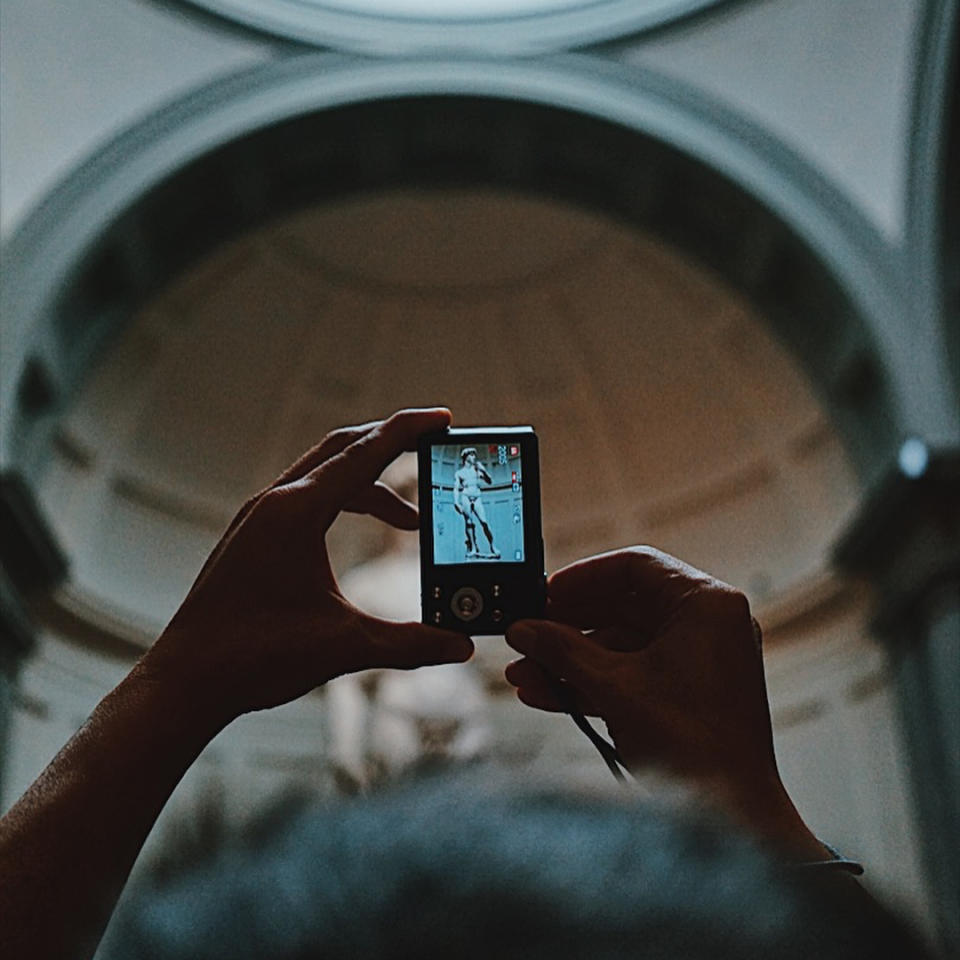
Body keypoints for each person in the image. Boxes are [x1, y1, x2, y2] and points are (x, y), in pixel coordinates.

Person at [0, 409, 929, 960]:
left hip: (456, 732)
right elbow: (352, 703)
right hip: (404, 737)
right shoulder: (365, 586)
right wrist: (753, 802)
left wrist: (173, 687)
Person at [454, 447, 499, 559]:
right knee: (469, 523)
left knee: (484, 522)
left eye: (474, 455)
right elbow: (456, 488)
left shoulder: (477, 470)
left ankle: (492, 546)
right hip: (465, 497)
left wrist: (484, 470)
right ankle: (473, 548)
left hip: (477, 497)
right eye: (472, 455)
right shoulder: (459, 473)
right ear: (466, 456)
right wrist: (456, 502)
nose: (474, 457)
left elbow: (489, 481)